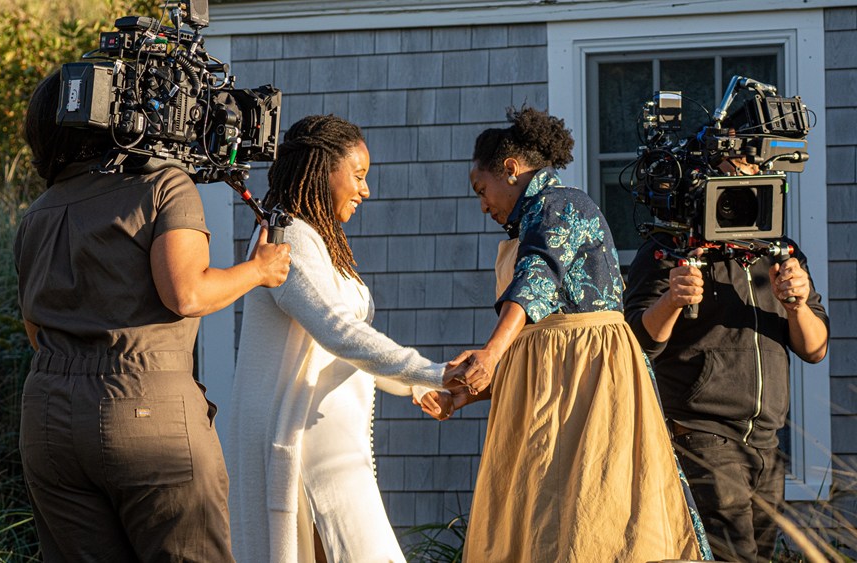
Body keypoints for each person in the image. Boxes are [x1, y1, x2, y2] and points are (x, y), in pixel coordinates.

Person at [14, 71, 291, 562]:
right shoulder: (162, 186)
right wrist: (259, 270)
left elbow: (35, 329)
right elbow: (185, 293)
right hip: (143, 408)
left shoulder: (37, 212)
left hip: (47, 420)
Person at [417, 105, 706, 562]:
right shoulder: (528, 225)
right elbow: (534, 348)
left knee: (591, 530)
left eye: (482, 188)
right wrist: (467, 393)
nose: (482, 204)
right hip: (550, 394)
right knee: (542, 532)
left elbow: (537, 275)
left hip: (588, 389)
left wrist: (491, 352)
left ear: (510, 170)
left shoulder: (563, 205)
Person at [227, 114, 467, 563]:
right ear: (321, 171)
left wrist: (418, 385)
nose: (366, 190)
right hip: (303, 442)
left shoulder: (316, 238)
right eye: (358, 176)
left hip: (330, 439)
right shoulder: (289, 237)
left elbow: (345, 349)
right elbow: (338, 331)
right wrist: (431, 371)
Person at [623, 155, 829, 563]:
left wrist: (797, 305)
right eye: (732, 170)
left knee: (758, 556)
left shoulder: (781, 253)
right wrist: (672, 300)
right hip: (704, 433)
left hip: (767, 440)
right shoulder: (669, 246)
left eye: (753, 171)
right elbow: (637, 343)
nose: (743, 181)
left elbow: (815, 349)